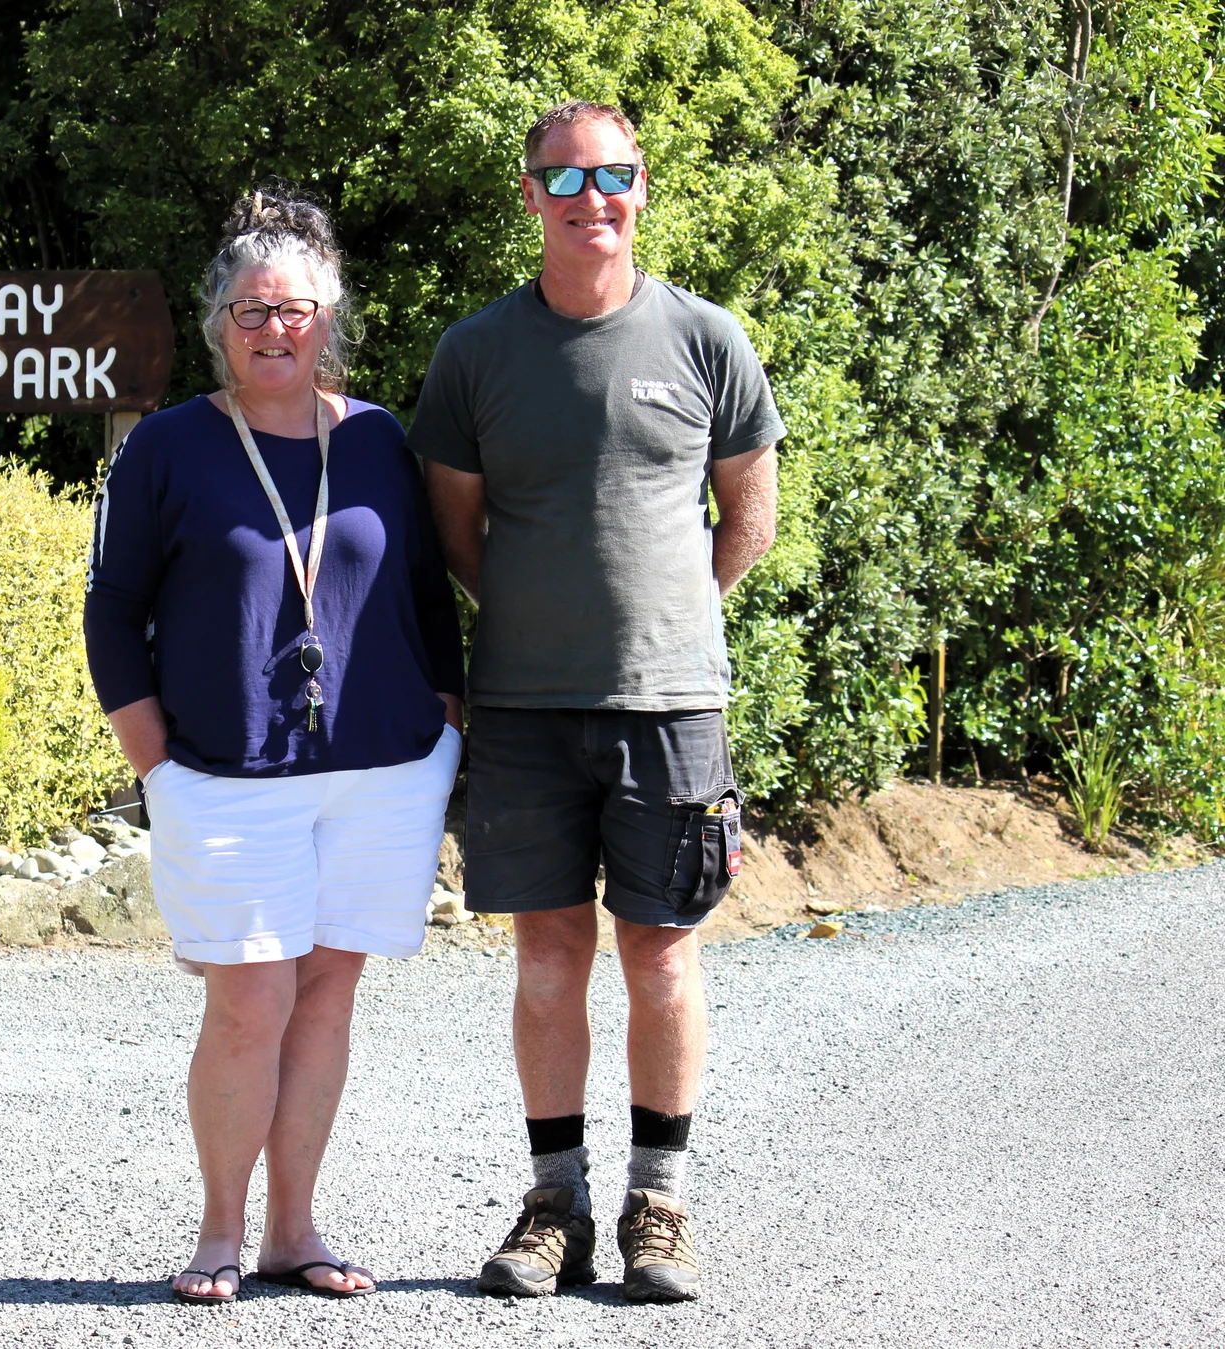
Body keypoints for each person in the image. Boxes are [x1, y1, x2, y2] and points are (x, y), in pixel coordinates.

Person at [409, 101, 784, 1303]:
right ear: (530, 196)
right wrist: (545, 623)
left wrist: (660, 626)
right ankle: (553, 1201)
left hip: (673, 708)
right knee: (548, 956)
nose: (590, 198)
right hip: (523, 709)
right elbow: (456, 535)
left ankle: (658, 1205)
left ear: (639, 186)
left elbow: (749, 521)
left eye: (611, 175)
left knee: (661, 956)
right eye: (564, 179)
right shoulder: (476, 354)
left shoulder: (707, 337)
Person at [83, 187, 466, 1306]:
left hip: (383, 771)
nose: (272, 329)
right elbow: (113, 609)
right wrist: (152, 758)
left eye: (293, 308)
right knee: (249, 998)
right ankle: (216, 1229)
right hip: (225, 773)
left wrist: (444, 720)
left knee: (329, 994)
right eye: (250, 309)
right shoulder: (167, 446)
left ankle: (296, 1226)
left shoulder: (385, 437)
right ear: (220, 321)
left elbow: (428, 591)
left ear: (328, 315)